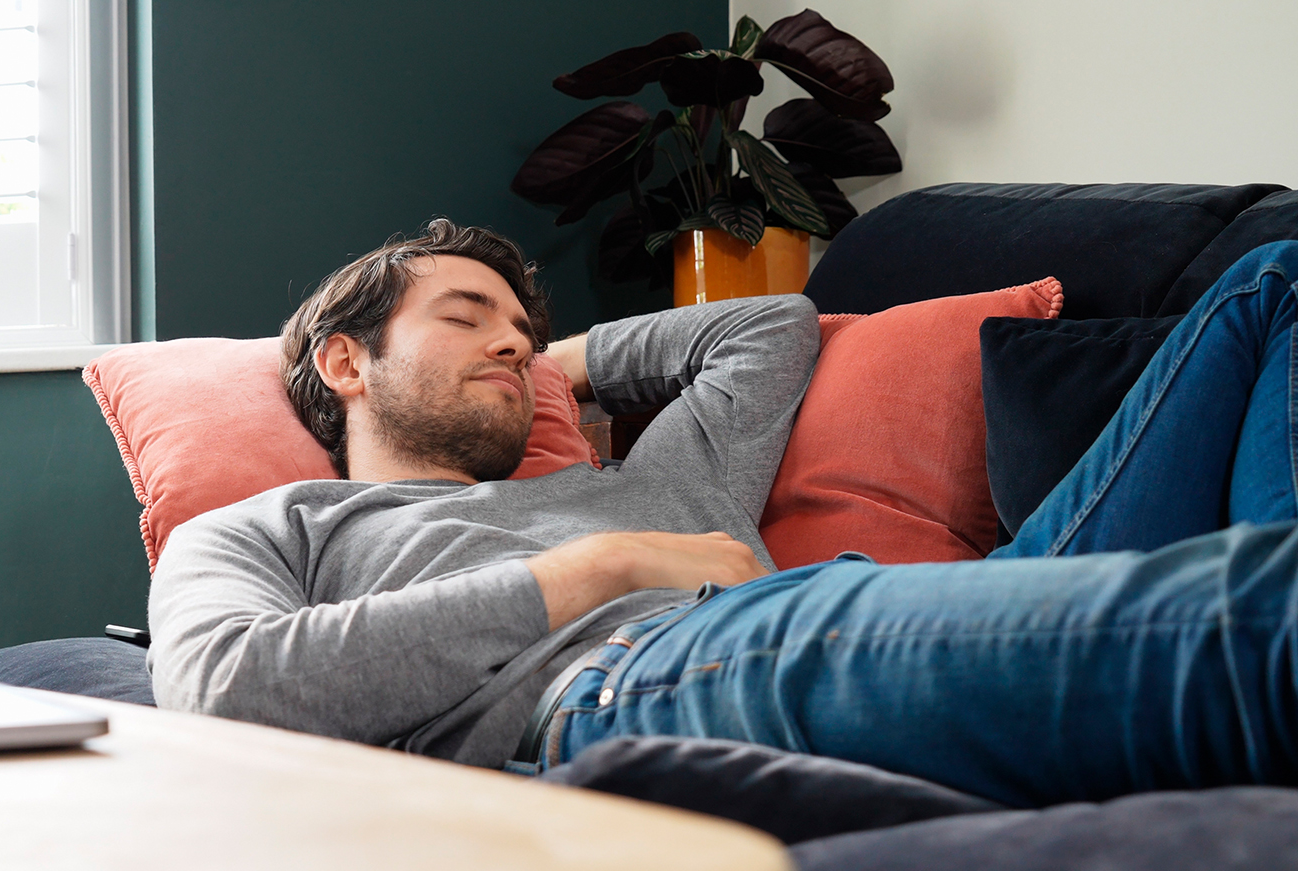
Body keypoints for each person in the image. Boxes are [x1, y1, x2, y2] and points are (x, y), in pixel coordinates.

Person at [148, 219, 1298, 808]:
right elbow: (221, 684)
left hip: (864, 607)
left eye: (521, 330)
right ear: (345, 361)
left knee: (1275, 280)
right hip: (637, 676)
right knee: (1251, 616)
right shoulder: (273, 527)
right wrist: (601, 568)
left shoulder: (655, 483)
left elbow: (768, 326)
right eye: (464, 318)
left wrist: (564, 362)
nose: (507, 343)